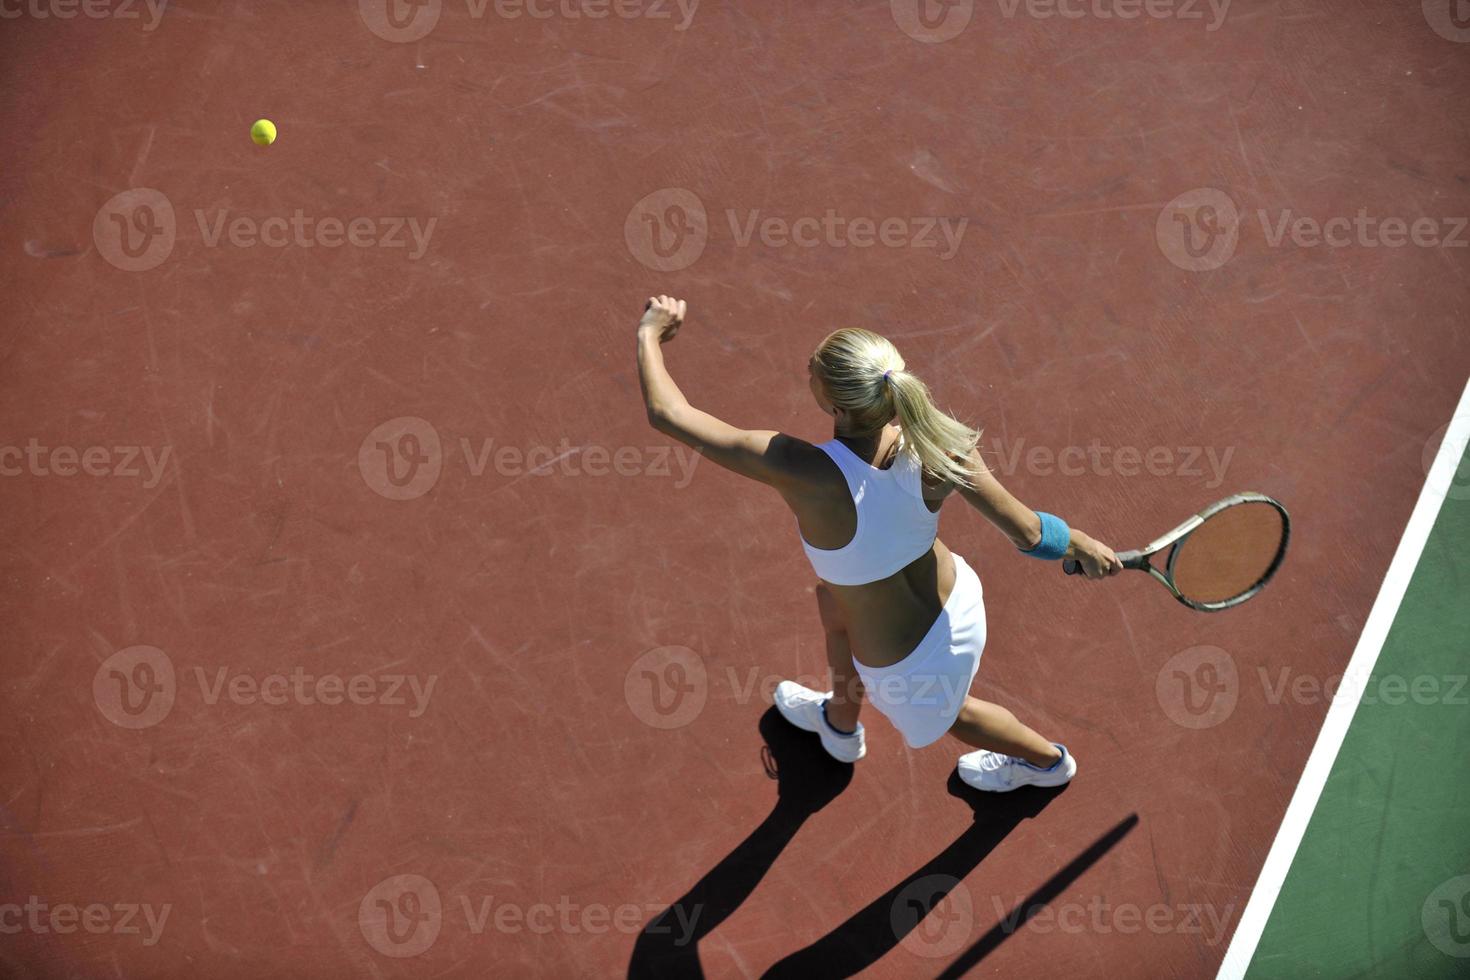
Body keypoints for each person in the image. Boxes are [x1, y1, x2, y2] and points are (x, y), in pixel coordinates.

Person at [636, 296, 1122, 791]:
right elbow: (1032, 534)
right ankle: (839, 725)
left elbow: (666, 412)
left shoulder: (801, 469)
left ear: (838, 404)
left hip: (913, 666)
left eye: (815, 370)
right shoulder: (940, 444)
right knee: (833, 603)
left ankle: (1047, 763)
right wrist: (1080, 543)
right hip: (958, 600)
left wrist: (650, 333)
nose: (808, 368)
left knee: (959, 716)